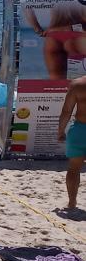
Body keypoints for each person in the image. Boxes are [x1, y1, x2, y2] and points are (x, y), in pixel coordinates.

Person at [26, 3, 86, 81]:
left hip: (54, 34)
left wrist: (38, 29)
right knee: (81, 82)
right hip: (78, 31)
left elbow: (27, 6)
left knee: (56, 81)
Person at [58, 75, 86, 214]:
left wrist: (60, 131)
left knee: (74, 169)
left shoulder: (77, 84)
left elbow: (66, 111)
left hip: (80, 130)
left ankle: (72, 202)